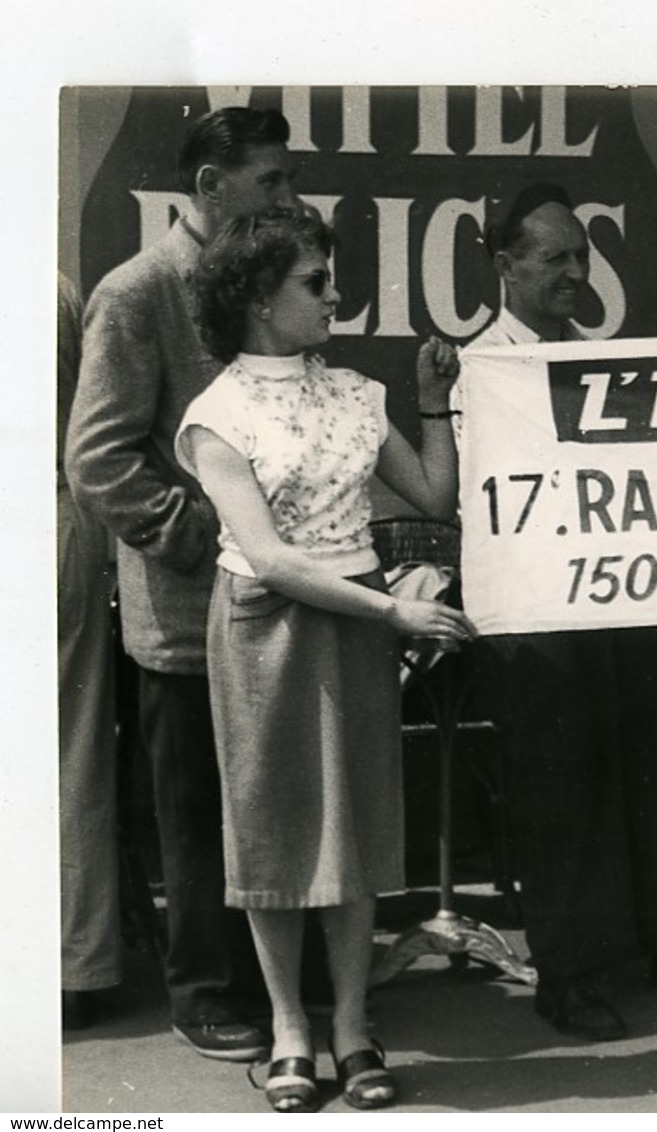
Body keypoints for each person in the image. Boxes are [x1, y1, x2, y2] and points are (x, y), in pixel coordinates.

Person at [177, 206, 475, 1111]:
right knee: (272, 829)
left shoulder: (353, 393)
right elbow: (267, 557)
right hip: (269, 629)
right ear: (261, 299)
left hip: (353, 620)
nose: (336, 294)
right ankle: (289, 1032)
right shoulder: (215, 415)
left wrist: (430, 403)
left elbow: (429, 490)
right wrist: (393, 610)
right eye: (316, 281)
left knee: (352, 827)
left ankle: (351, 1028)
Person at [458, 182, 657, 1043]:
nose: (573, 272)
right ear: (505, 264)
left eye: (581, 255)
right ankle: (571, 972)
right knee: (559, 784)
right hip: (532, 611)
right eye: (553, 257)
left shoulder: (605, 364)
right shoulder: (475, 368)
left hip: (625, 601)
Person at [66, 105, 300, 1061]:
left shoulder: (266, 280)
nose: (290, 196)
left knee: (268, 797)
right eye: (272, 180)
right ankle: (204, 993)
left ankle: (276, 984)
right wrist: (198, 530)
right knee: (196, 810)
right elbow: (97, 459)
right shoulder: (136, 291)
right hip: (185, 613)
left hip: (274, 604)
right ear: (210, 185)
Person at [58, 272, 120, 1030]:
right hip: (56, 514)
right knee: (71, 748)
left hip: (52, 506)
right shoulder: (52, 288)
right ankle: (75, 964)